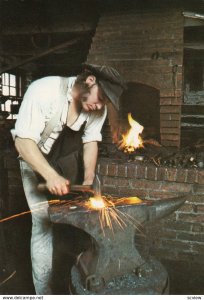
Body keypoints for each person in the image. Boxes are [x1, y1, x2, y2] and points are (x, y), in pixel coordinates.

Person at [11, 63, 126, 295]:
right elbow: (23, 143)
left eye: (105, 102)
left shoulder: (96, 108)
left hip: (65, 160)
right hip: (34, 159)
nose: (100, 105)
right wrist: (50, 175)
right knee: (43, 224)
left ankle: (79, 274)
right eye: (101, 97)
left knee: (82, 215)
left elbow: (91, 140)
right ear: (90, 80)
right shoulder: (43, 91)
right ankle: (44, 291)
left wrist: (89, 179)